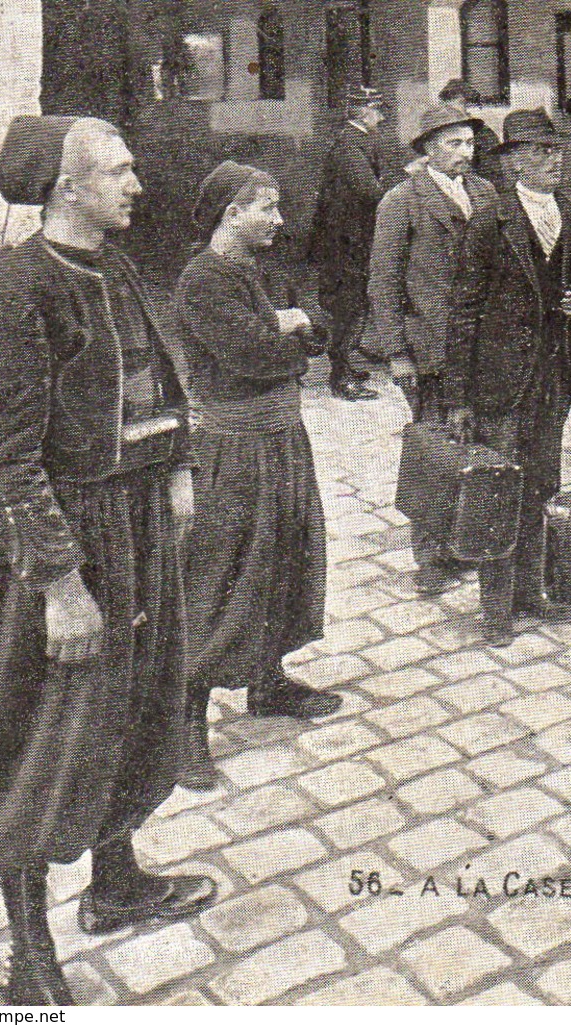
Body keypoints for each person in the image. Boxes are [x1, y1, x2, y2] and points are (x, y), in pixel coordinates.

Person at [0, 116, 217, 1005]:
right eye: (119, 170)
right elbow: (5, 460)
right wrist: (60, 584)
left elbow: (160, 376)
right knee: (41, 741)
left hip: (134, 527)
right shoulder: (18, 287)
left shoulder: (116, 264)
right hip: (62, 540)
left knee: (134, 709)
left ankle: (116, 881)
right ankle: (29, 957)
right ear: (65, 187)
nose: (137, 182)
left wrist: (174, 469)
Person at [174, 161, 343, 790]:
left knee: (286, 557)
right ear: (231, 213)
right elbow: (251, 355)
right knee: (220, 576)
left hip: (281, 437)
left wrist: (294, 325)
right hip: (232, 449)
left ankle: (266, 683)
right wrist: (290, 327)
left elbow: (319, 329)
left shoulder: (255, 269)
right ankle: (183, 721)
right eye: (266, 208)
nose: (279, 220)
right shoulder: (202, 280)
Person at [445, 109, 571, 646]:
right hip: (500, 382)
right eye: (539, 152)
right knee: (498, 488)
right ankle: (495, 609)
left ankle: (533, 591)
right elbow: (462, 310)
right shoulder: (490, 221)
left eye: (556, 151)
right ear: (511, 164)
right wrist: (458, 396)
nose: (554, 161)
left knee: (543, 485)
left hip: (553, 375)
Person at [368, 103, 499, 596]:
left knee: (473, 442)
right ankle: (429, 557)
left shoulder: (485, 193)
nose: (465, 153)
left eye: (469, 143)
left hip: (481, 345)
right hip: (429, 345)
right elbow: (382, 281)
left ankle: (465, 542)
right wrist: (397, 352)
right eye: (453, 144)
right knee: (432, 449)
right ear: (426, 149)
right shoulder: (402, 201)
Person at [309, 85, 388, 400]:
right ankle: (340, 377)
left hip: (349, 240)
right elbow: (370, 191)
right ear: (363, 112)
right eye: (378, 110)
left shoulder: (354, 141)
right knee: (350, 307)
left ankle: (344, 365)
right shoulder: (350, 146)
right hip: (346, 243)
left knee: (353, 305)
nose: (381, 118)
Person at [438, 78, 506, 191]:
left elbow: (493, 172)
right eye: (445, 106)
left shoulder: (483, 134)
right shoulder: (440, 131)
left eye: (458, 103)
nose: (448, 111)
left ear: (466, 105)